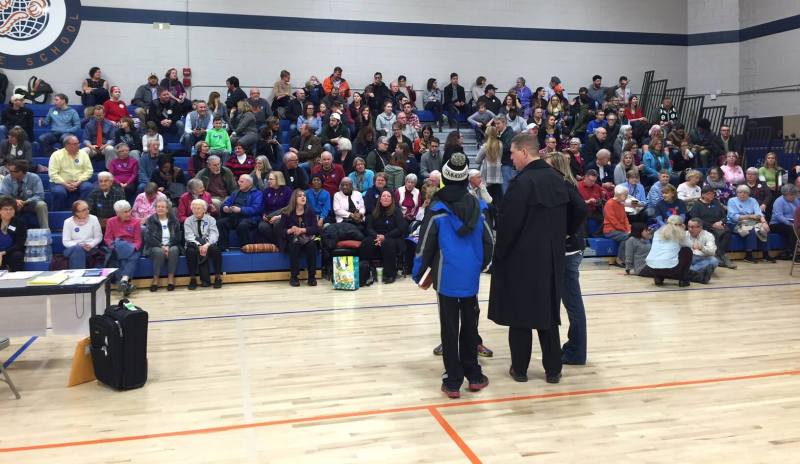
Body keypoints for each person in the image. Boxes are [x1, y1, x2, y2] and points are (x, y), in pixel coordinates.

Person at [488, 133, 584, 385]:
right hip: (551, 259)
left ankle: (520, 370)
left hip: (522, 259)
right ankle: (553, 370)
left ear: (524, 152)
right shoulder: (558, 178)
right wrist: (564, 233)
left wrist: (499, 256)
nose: (510, 158)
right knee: (548, 314)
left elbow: (508, 226)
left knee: (520, 315)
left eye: (512, 153)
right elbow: (581, 209)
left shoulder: (521, 183)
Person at [413, 152, 492, 398]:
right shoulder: (479, 206)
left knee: (449, 328)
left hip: (445, 276)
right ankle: (474, 375)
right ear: (465, 179)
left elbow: (425, 244)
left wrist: (418, 273)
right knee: (470, 324)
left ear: (445, 178)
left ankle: (453, 381)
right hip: (470, 276)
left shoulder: (437, 208)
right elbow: (489, 241)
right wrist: (480, 265)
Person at [547, 152, 589, 365]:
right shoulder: (566, 184)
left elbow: (582, 209)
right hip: (571, 250)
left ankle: (576, 351)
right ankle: (574, 348)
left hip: (569, 251)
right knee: (571, 302)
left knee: (572, 303)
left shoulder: (563, 185)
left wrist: (567, 231)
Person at [276, 189, 320, 287]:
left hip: (306, 238)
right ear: (294, 199)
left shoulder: (310, 211)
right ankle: (294, 277)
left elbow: (316, 229)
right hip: (291, 239)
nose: (303, 197)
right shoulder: (286, 212)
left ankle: (312, 277)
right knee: (295, 243)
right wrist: (290, 230)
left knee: (312, 245)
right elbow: (280, 231)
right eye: (300, 196)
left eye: (304, 195)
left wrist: (303, 230)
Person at [641, 215, 697, 287]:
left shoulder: (657, 232)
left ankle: (658, 278)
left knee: (660, 253)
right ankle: (683, 280)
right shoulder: (679, 234)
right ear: (680, 225)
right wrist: (683, 230)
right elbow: (691, 245)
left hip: (652, 268)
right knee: (687, 250)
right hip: (670, 269)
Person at [689, 185, 737, 269]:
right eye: (708, 194)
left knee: (727, 232)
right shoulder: (697, 205)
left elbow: (724, 215)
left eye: (712, 194)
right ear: (703, 194)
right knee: (714, 234)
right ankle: (723, 257)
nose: (711, 195)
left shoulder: (716, 202)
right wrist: (712, 225)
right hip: (705, 226)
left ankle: (719, 257)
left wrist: (721, 222)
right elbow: (696, 219)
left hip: (719, 225)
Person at [727, 184, 773, 263]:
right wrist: (750, 216)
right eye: (740, 192)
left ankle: (766, 254)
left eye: (745, 192)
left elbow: (759, 213)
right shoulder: (732, 201)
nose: (742, 194)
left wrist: (764, 222)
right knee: (751, 230)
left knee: (765, 229)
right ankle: (748, 255)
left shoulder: (753, 200)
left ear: (748, 194)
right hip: (735, 223)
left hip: (752, 222)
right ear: (737, 193)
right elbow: (733, 216)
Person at [104, 200, 141, 296]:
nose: (128, 213)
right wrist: (113, 247)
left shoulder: (136, 222)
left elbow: (138, 241)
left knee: (134, 254)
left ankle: (122, 282)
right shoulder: (111, 221)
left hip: (131, 247)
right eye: (125, 212)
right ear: (118, 213)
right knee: (122, 249)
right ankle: (124, 282)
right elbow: (108, 238)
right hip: (116, 246)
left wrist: (132, 248)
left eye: (129, 211)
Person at [184, 199, 223, 289]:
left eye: (198, 208)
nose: (196, 210)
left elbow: (214, 234)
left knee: (216, 250)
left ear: (204, 209)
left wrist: (207, 245)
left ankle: (218, 277)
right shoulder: (188, 220)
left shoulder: (211, 219)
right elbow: (189, 236)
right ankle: (193, 279)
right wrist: (199, 245)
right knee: (190, 251)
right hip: (194, 244)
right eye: (194, 208)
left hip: (208, 243)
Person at [144, 198, 181, 292]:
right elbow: (149, 238)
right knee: (159, 251)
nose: (160, 208)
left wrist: (168, 246)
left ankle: (170, 279)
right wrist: (161, 246)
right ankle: (155, 280)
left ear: (167, 209)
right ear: (155, 208)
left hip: (171, 245)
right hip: (155, 246)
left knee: (174, 250)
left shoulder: (174, 220)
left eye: (163, 207)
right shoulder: (151, 220)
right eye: (158, 207)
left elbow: (178, 237)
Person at [48, 135, 94, 210]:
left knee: (88, 187)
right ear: (67, 145)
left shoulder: (83, 154)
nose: (78, 145)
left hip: (79, 182)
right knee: (59, 192)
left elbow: (89, 171)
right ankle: (59, 214)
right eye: (75, 144)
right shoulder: (56, 155)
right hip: (60, 183)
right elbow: (53, 174)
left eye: (78, 143)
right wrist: (65, 184)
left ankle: (81, 210)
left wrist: (78, 182)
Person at [218, 175, 263, 250]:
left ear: (249, 183)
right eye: (239, 181)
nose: (239, 183)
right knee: (221, 223)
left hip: (250, 218)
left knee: (243, 225)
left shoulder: (257, 194)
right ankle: (223, 248)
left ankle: (246, 247)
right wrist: (224, 208)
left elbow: (256, 209)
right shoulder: (235, 192)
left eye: (241, 182)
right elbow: (227, 203)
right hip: (234, 217)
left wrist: (241, 210)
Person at [0, 159, 47, 229]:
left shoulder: (34, 178)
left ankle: (45, 229)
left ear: (21, 172)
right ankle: (5, 229)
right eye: (9, 171)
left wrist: (26, 201)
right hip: (13, 204)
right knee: (5, 205)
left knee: (41, 205)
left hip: (30, 204)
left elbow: (40, 195)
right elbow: (3, 195)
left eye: (12, 171)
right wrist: (14, 201)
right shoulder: (7, 179)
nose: (10, 173)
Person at [61, 200, 103, 269]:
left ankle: (77, 273)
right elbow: (66, 241)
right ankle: (79, 272)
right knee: (78, 249)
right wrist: (79, 245)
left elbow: (98, 237)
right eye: (84, 210)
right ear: (76, 213)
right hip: (73, 248)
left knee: (78, 251)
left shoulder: (94, 219)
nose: (87, 211)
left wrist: (91, 244)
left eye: (87, 209)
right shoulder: (68, 222)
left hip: (90, 248)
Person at [604, 185, 632, 265]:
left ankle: (626, 259)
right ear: (618, 195)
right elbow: (613, 221)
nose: (626, 197)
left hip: (621, 230)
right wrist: (625, 230)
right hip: (610, 230)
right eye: (625, 195)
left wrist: (628, 229)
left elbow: (625, 218)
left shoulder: (621, 204)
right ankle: (619, 259)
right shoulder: (609, 203)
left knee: (631, 235)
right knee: (627, 236)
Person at [475, 125, 504, 206]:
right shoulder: (500, 144)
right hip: (497, 173)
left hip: (486, 174)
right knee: (497, 197)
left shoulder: (485, 146)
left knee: (486, 197)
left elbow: (477, 160)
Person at [768, 184, 799, 259]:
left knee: (796, 228)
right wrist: (790, 223)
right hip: (776, 224)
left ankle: (794, 252)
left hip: (792, 223)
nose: (794, 197)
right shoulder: (779, 201)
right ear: (786, 194)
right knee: (792, 230)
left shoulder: (796, 200)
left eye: (795, 195)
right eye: (792, 195)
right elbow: (779, 216)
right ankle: (789, 253)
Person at [0, 196, 27, 272]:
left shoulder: (20, 223)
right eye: (5, 209)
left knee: (17, 255)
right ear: (0, 211)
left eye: (11, 209)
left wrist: (3, 252)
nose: (8, 212)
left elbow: (19, 244)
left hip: (10, 252)